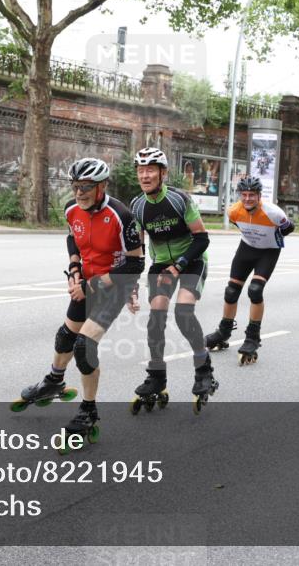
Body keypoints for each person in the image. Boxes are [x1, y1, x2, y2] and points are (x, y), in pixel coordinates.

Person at [12, 158, 143, 448]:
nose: (79, 193)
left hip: (115, 286)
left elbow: (136, 265)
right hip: (85, 282)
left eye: (86, 187)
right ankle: (54, 381)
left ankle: (88, 411)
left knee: (84, 348)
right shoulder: (72, 209)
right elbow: (73, 238)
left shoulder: (122, 215)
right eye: (75, 187)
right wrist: (74, 271)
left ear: (102, 186)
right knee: (65, 338)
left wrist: (91, 285)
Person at [130, 147, 218, 414]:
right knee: (155, 318)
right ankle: (157, 376)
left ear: (163, 173)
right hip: (160, 264)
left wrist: (179, 265)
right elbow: (136, 252)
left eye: (150, 170)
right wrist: (131, 286)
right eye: (141, 170)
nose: (145, 175)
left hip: (191, 259)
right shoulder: (137, 206)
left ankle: (204, 370)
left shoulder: (180, 200)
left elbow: (202, 238)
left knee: (183, 313)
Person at [205, 175, 294, 365]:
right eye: (243, 194)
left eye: (252, 195)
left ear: (259, 195)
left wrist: (270, 238)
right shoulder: (233, 212)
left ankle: (252, 337)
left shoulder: (273, 213)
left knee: (255, 290)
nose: (247, 199)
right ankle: (224, 331)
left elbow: (289, 228)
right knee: (231, 292)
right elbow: (240, 225)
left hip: (268, 252)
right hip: (246, 249)